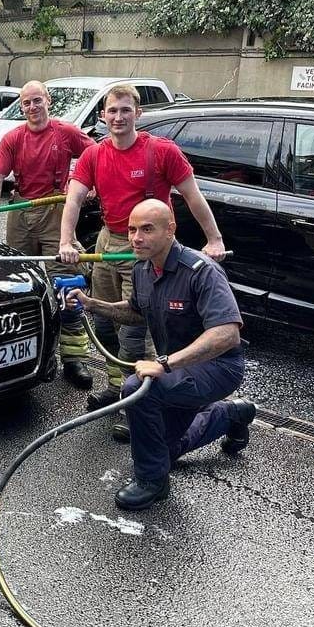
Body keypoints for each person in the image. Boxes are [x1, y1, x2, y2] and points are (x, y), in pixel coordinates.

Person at [68, 199, 254, 511]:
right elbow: (136, 312)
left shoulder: (201, 271)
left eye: (146, 229)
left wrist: (164, 363)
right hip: (177, 370)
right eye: (131, 229)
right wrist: (91, 304)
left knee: (138, 390)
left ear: (171, 230)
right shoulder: (143, 268)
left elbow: (227, 333)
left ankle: (152, 481)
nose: (136, 238)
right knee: (165, 448)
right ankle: (233, 414)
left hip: (218, 366)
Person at [58, 85, 226, 419]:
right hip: (109, 242)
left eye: (125, 110)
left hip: (147, 249)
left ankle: (139, 402)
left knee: (134, 328)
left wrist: (214, 239)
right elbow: (74, 199)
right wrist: (67, 241)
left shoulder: (162, 152)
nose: (118, 117)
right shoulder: (94, 154)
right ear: (103, 116)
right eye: (112, 111)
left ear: (138, 113)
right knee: (104, 321)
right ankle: (116, 386)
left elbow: (193, 196)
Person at [0, 80, 96, 389]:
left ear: (48, 100)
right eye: (26, 103)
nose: (32, 107)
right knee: (17, 281)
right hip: (21, 210)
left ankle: (74, 358)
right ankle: (21, 350)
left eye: (37, 100)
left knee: (67, 279)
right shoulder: (12, 138)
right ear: (22, 107)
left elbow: (97, 155)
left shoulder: (65, 132)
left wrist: (85, 183)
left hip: (56, 208)